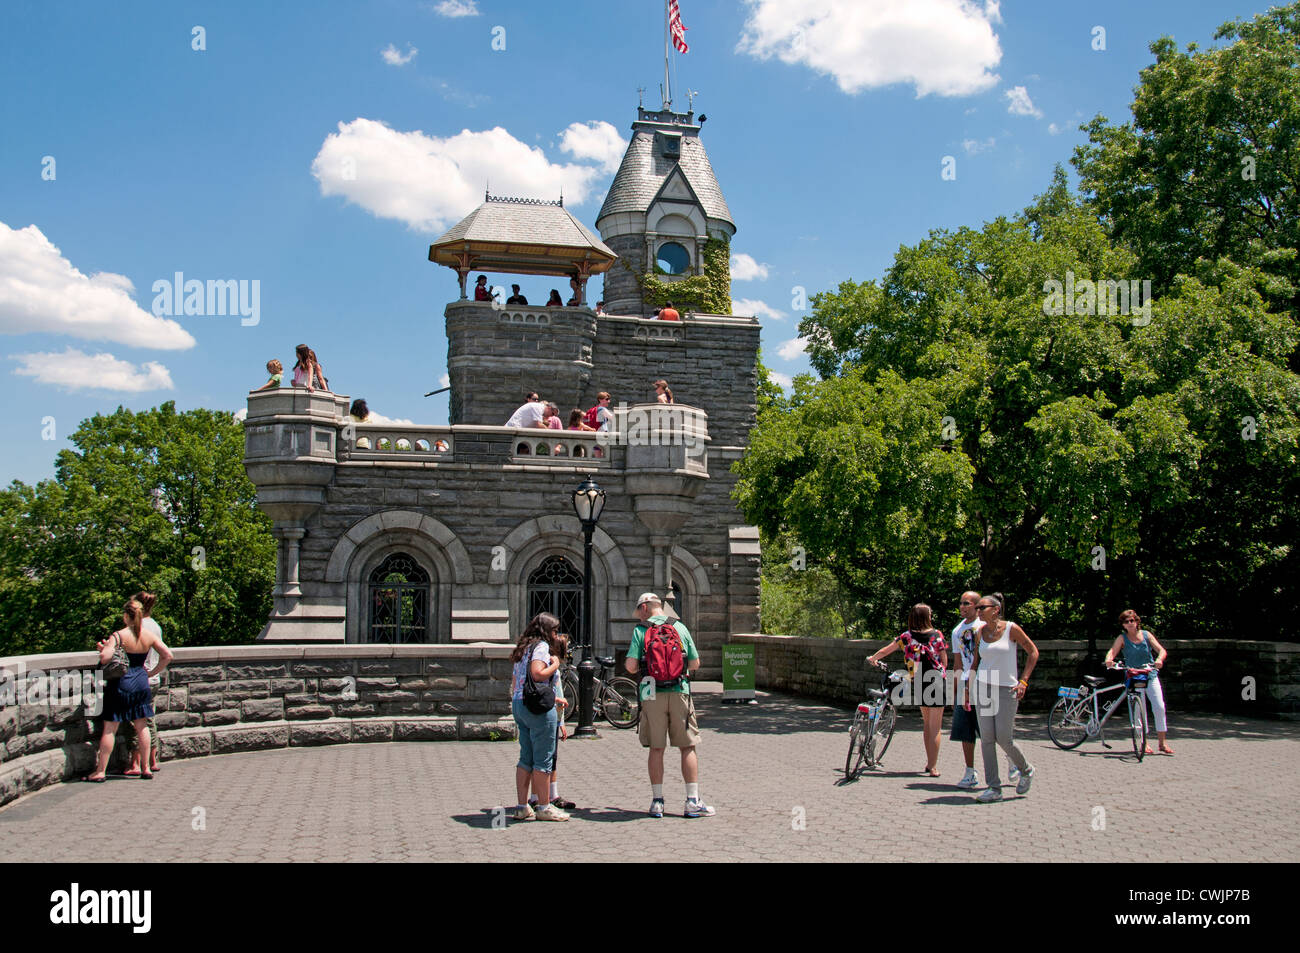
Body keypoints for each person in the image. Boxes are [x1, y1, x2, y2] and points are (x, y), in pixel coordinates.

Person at [624, 593, 715, 818]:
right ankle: (692, 801)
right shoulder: (680, 628)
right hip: (679, 690)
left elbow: (631, 667)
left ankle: (657, 801)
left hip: (650, 691)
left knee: (656, 748)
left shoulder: (641, 630)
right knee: (687, 746)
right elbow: (695, 663)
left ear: (644, 607)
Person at [86, 599, 173, 782]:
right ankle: (146, 768)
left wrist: (103, 649)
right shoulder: (148, 635)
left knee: (110, 727)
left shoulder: (119, 636)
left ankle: (101, 771)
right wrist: (151, 672)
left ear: (126, 616)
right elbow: (167, 655)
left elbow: (105, 658)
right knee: (142, 725)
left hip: (121, 683)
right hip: (141, 681)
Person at [969, 593, 1038, 802]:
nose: (978, 611)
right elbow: (975, 662)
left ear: (996, 609)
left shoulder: (1011, 629)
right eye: (977, 608)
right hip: (983, 687)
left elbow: (1033, 652)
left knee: (1004, 739)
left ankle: (1026, 770)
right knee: (987, 739)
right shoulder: (979, 632)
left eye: (982, 607)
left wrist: (1023, 680)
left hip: (1006, 689)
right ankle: (994, 788)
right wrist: (967, 689)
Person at [867, 604, 948, 776]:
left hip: (918, 680)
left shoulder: (907, 636)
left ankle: (929, 762)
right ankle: (932, 766)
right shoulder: (937, 635)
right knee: (936, 727)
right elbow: (944, 660)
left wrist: (873, 658)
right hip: (935, 680)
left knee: (927, 724)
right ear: (927, 617)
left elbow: (885, 650)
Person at [508, 612, 568, 821]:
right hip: (538, 707)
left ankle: (522, 806)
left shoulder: (523, 648)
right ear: (546, 631)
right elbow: (537, 673)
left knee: (526, 757)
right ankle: (544, 806)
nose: (556, 634)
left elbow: (516, 681)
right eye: (554, 630)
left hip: (519, 704)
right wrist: (555, 665)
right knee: (543, 758)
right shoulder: (541, 647)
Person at [1104, 610, 1173, 755]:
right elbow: (1112, 651)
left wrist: (1159, 659)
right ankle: (1144, 743)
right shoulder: (1122, 638)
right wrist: (1109, 660)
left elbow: (1161, 650)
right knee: (1137, 711)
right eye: (1126, 622)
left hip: (1150, 675)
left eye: (1132, 621)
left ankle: (1162, 742)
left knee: (1159, 706)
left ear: (1137, 622)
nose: (1129, 624)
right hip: (1133, 676)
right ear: (1123, 625)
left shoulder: (1146, 635)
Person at [124, 591, 167, 775]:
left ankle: (136, 763)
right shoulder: (156, 626)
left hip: (139, 678)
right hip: (153, 680)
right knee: (150, 719)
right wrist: (155, 672)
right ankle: (152, 759)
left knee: (137, 722)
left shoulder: (138, 626)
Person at [547, 632, 576, 811]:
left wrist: (562, 723)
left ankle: (552, 794)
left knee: (552, 759)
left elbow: (559, 693)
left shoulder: (554, 668)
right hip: (547, 716)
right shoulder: (551, 667)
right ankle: (540, 797)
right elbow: (552, 693)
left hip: (555, 718)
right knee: (545, 760)